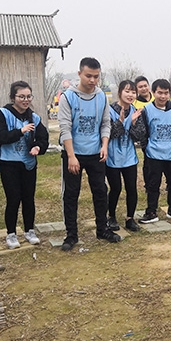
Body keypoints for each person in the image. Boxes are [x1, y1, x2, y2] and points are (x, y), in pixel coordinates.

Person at [58, 57, 121, 251]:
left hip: (96, 153)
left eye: (96, 76)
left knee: (101, 192)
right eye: (88, 76)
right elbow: (65, 128)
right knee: (71, 194)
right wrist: (71, 156)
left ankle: (102, 229)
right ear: (79, 74)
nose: (92, 80)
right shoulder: (68, 97)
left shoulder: (102, 96)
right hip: (74, 154)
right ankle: (71, 234)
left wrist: (104, 145)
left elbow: (105, 123)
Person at [0, 81, 49, 249]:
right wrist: (20, 131)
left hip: (28, 164)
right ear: (13, 98)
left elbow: (43, 137)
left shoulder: (34, 117)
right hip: (9, 163)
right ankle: (11, 234)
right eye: (21, 97)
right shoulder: (3, 114)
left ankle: (29, 230)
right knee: (13, 198)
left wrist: (38, 147)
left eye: (28, 96)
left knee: (28, 199)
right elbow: (0, 136)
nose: (26, 100)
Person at [132, 79, 171, 222]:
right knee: (153, 185)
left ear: (169, 94)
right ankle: (151, 212)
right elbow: (144, 132)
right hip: (153, 154)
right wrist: (146, 148)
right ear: (153, 93)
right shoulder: (147, 110)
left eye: (166, 93)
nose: (163, 96)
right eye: (160, 93)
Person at [106, 80, 141, 232]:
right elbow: (110, 134)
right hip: (112, 157)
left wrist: (133, 124)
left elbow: (139, 136)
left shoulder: (136, 111)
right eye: (127, 91)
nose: (130, 95)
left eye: (133, 92)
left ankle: (130, 218)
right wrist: (120, 121)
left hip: (129, 157)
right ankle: (111, 217)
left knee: (132, 188)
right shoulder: (108, 110)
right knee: (115, 188)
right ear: (120, 92)